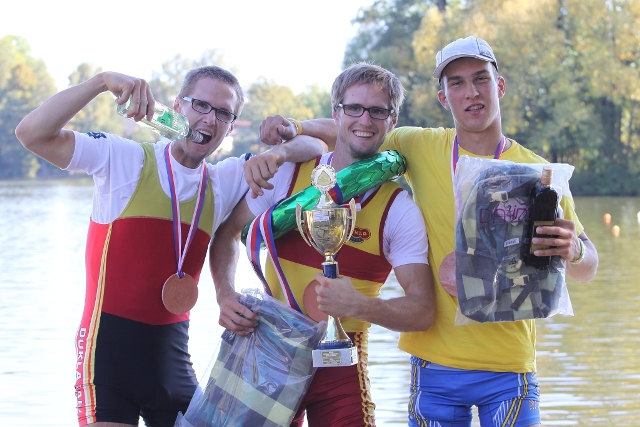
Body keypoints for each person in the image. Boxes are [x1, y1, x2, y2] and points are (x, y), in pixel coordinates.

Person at [258, 36, 599, 427]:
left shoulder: (539, 172)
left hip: (510, 368)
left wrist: (574, 251)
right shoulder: (417, 145)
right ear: (443, 97)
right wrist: (295, 129)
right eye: (456, 83)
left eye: (481, 79)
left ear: (500, 86)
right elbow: (353, 130)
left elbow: (587, 266)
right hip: (434, 368)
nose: (471, 92)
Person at [15, 66, 324, 427]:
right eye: (200, 105)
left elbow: (318, 148)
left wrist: (279, 153)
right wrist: (100, 82)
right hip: (107, 364)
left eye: (223, 113)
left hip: (172, 366)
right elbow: (31, 134)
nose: (209, 119)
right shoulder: (122, 159)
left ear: (230, 126)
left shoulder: (226, 179)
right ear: (177, 106)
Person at [209, 63, 436, 427]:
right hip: (268, 351)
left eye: (378, 111)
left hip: (341, 367)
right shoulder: (289, 172)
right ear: (336, 113)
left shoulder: (399, 209)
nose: (365, 120)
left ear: (392, 121)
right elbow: (227, 235)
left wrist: (360, 305)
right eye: (354, 108)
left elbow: (423, 310)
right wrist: (225, 294)